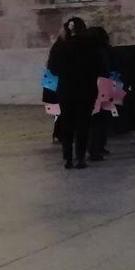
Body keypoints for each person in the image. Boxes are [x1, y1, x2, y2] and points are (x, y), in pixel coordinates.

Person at [47, 17, 102, 168]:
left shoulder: (60, 45)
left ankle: (67, 157)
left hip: (66, 89)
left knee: (67, 123)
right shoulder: (90, 45)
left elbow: (52, 67)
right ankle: (80, 157)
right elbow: (100, 67)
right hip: (86, 89)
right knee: (83, 124)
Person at [87, 26, 113, 161]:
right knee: (101, 120)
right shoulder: (104, 51)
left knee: (94, 120)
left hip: (91, 87)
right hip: (103, 86)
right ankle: (97, 147)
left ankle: (94, 148)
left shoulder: (86, 52)